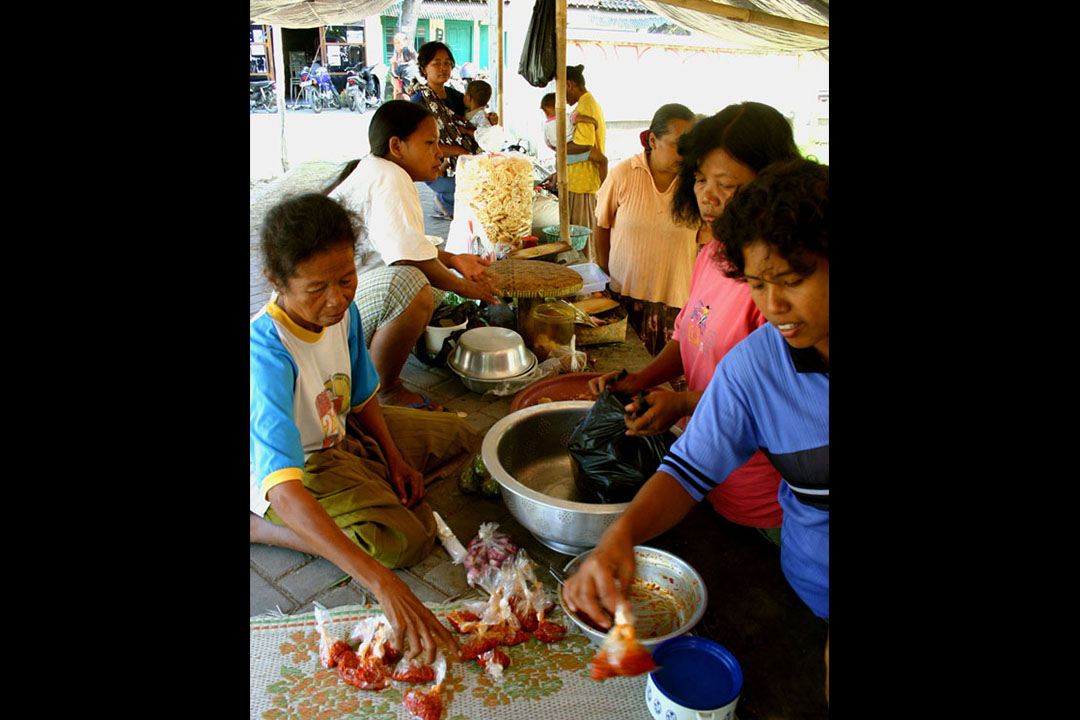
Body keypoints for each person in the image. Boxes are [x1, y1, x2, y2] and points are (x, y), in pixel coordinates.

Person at [564, 157, 830, 702]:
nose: (774, 306)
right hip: (812, 587)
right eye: (758, 285)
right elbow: (688, 470)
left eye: (792, 281)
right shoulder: (756, 368)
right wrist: (620, 537)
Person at [250, 192, 486, 665]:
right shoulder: (265, 352)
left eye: (346, 279)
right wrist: (382, 583)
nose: (336, 299)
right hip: (296, 468)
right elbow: (286, 489)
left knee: (462, 436)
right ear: (277, 281)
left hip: (338, 430)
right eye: (316, 288)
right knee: (403, 541)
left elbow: (360, 397)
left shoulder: (344, 314)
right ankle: (262, 528)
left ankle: (366, 481)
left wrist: (394, 459)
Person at [590, 102, 802, 538]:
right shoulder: (713, 254)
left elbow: (779, 401)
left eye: (727, 185)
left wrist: (684, 403)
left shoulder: (780, 290)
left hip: (762, 503)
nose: (708, 196)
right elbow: (690, 335)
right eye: (701, 179)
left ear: (772, 184)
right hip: (701, 473)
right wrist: (642, 378)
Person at [325, 100, 499, 410]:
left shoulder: (379, 170)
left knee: (430, 282)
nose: (439, 153)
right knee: (413, 284)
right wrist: (466, 287)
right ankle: (384, 389)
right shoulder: (389, 177)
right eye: (430, 143)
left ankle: (378, 364)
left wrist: (454, 259)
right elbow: (408, 259)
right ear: (397, 146)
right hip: (330, 318)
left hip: (342, 304)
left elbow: (410, 246)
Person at [592, 103, 696, 358]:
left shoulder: (697, 184)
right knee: (623, 368)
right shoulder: (623, 174)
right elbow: (602, 225)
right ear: (652, 140)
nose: (685, 153)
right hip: (624, 297)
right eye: (678, 144)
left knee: (668, 378)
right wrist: (604, 273)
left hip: (677, 304)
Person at [408, 42, 479, 221]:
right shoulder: (419, 102)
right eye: (436, 63)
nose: (443, 68)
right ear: (424, 68)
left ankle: (447, 201)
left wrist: (488, 118)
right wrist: (458, 151)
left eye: (447, 63)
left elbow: (473, 121)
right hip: (436, 167)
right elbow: (419, 146)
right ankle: (444, 200)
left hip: (462, 160)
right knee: (474, 187)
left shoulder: (457, 97)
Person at [563, 64, 606, 262]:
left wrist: (559, 147)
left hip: (582, 183)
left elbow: (583, 144)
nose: (562, 97)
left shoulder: (586, 105)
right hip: (580, 181)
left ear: (569, 85)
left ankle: (584, 274)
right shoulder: (585, 104)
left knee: (581, 240)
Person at [539, 92, 607, 183]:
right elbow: (580, 118)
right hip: (577, 150)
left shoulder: (546, 127)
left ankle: (554, 181)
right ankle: (604, 186)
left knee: (559, 170)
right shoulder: (568, 117)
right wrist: (593, 121)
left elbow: (548, 143)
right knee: (603, 160)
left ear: (545, 111)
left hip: (564, 158)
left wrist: (558, 150)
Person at [390, 32, 419, 101]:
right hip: (399, 85)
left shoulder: (411, 53)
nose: (397, 45)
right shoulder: (396, 56)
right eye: (395, 43)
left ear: (405, 41)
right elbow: (393, 77)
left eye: (399, 42)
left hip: (411, 86)